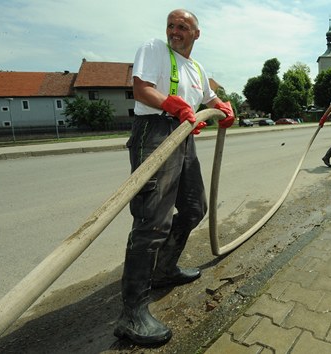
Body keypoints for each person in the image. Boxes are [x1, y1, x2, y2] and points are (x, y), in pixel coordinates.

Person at [114, 9, 234, 346]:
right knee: (152, 223)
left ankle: (164, 269)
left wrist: (223, 107)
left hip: (183, 137)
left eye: (183, 27)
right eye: (171, 25)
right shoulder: (154, 48)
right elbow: (141, 89)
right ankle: (131, 313)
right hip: (154, 133)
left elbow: (210, 99)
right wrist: (174, 105)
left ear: (197, 34)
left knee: (195, 208)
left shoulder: (196, 68)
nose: (174, 31)